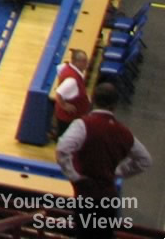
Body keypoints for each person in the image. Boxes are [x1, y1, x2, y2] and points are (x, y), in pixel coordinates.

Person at [55, 82, 151, 236]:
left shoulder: (83, 125)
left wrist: (74, 176)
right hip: (109, 198)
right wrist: (118, 172)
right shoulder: (123, 132)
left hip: (86, 196)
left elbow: (62, 149)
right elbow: (145, 160)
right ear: (115, 105)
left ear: (93, 99)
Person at [50, 48, 91, 136]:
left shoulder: (67, 67)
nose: (87, 63)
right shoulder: (72, 80)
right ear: (76, 62)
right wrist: (64, 105)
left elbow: (59, 68)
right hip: (68, 119)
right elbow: (59, 94)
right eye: (84, 61)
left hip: (70, 118)